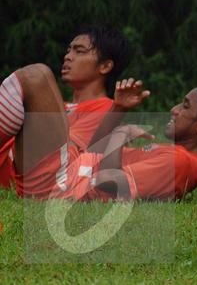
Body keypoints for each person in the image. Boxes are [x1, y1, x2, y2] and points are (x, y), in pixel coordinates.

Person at [0, 26, 131, 197]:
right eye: (69, 50)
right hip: (15, 168)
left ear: (105, 66)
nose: (68, 56)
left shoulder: (106, 108)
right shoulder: (56, 105)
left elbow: (71, 150)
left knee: (36, 76)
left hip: (43, 178)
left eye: (79, 51)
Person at [68, 78, 197, 201]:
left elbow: (106, 181)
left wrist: (119, 135)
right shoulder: (177, 154)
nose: (174, 110)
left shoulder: (181, 162)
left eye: (185, 106)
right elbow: (94, 154)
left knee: (41, 75)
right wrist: (118, 108)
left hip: (63, 180)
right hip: (69, 167)